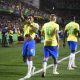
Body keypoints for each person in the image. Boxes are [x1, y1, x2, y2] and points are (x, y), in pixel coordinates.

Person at [19, 15, 39, 80]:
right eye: (28, 18)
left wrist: (30, 24)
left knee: (29, 57)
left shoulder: (35, 24)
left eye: (30, 18)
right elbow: (22, 18)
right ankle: (32, 67)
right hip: (25, 42)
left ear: (33, 19)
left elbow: (36, 31)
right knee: (24, 59)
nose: (28, 19)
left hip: (31, 42)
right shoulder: (25, 25)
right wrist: (20, 12)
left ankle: (28, 74)